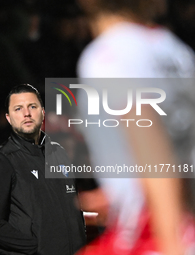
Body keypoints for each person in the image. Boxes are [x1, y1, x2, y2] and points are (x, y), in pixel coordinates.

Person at [75, 0, 195, 255]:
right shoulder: (174, 50)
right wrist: (122, 192)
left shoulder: (108, 56)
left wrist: (172, 244)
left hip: (155, 231)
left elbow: (156, 158)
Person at [0, 84, 86, 255]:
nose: (27, 114)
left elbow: (73, 206)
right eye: (18, 109)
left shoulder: (59, 152)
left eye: (32, 107)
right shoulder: (1, 160)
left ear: (42, 112)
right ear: (8, 118)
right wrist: (36, 248)